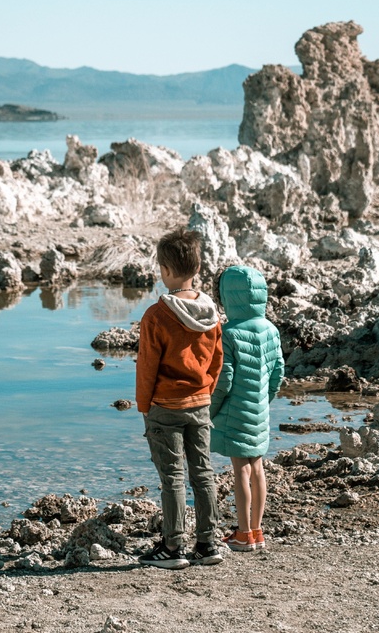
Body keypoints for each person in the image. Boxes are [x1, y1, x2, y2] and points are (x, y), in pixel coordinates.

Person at [135, 227, 224, 569]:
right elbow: (217, 359)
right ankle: (208, 543)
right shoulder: (211, 313)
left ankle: (173, 548)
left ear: (165, 271)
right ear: (197, 269)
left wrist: (145, 406)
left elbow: (147, 368)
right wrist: (205, 391)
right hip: (200, 402)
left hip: (165, 407)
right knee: (203, 472)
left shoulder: (157, 315)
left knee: (171, 476)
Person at [209, 264, 284, 552]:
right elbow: (278, 372)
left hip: (233, 412)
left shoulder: (228, 333)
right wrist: (264, 401)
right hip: (259, 409)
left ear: (227, 297)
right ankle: (256, 530)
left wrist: (210, 411)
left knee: (240, 469)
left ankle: (242, 534)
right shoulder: (271, 330)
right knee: (257, 468)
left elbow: (224, 379)